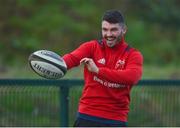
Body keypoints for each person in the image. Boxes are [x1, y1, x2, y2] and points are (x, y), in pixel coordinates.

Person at [62, 10, 143, 127]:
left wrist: (98, 71)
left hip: (115, 119)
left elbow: (132, 77)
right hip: (87, 116)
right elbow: (71, 59)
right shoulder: (92, 47)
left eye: (113, 30)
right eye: (105, 30)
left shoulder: (133, 55)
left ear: (124, 29)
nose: (108, 34)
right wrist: (54, 64)